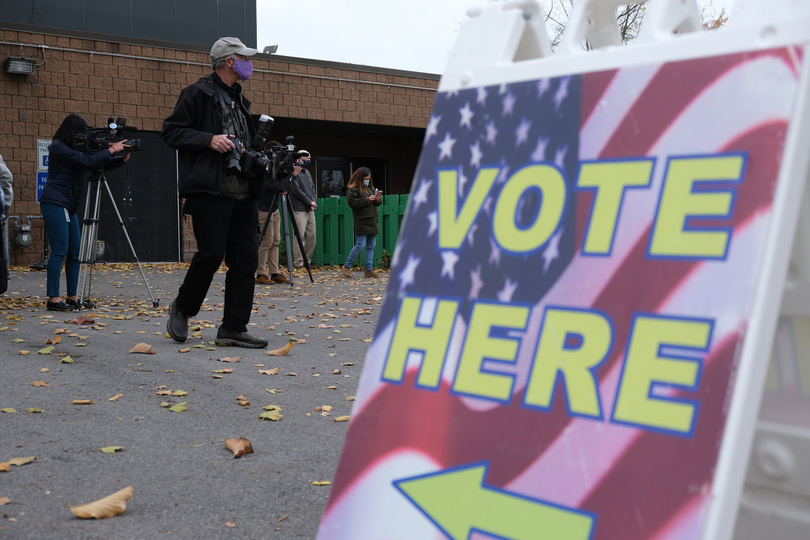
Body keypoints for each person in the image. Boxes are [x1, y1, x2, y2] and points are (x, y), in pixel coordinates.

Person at [161, 36, 268, 349]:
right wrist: (208, 139)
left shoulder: (240, 101)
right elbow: (171, 131)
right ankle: (183, 308)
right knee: (210, 255)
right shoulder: (197, 93)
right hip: (211, 190)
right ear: (229, 61)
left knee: (246, 261)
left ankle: (233, 328)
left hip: (243, 192)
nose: (250, 63)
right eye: (244, 57)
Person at [40, 113, 131, 311]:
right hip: (55, 202)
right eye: (81, 132)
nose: (83, 137)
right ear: (72, 131)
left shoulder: (72, 150)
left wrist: (120, 159)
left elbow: (95, 163)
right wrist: (111, 150)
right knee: (59, 251)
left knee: (75, 252)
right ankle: (53, 300)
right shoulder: (59, 147)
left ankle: (72, 298)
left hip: (67, 205)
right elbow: (87, 162)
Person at [340, 167, 382, 279]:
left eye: (369, 178)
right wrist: (368, 199)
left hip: (372, 219)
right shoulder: (353, 190)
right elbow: (353, 203)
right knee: (360, 245)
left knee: (371, 246)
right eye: (366, 178)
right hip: (362, 220)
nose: (368, 180)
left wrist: (378, 199)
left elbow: (376, 203)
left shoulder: (370, 189)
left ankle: (369, 270)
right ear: (360, 178)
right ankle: (347, 266)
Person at [288, 150, 317, 269]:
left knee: (312, 235)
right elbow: (295, 190)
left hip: (309, 208)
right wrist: (309, 201)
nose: (309, 161)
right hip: (298, 208)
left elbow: (312, 188)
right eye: (306, 159)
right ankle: (299, 263)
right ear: (299, 159)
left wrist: (313, 200)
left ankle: (307, 261)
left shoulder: (307, 172)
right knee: (298, 235)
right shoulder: (293, 172)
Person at [256, 193, 289, 285]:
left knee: (275, 241)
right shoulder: (267, 177)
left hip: (274, 207)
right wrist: (282, 186)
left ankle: (274, 272)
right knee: (266, 241)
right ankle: (260, 274)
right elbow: (270, 184)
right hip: (264, 208)